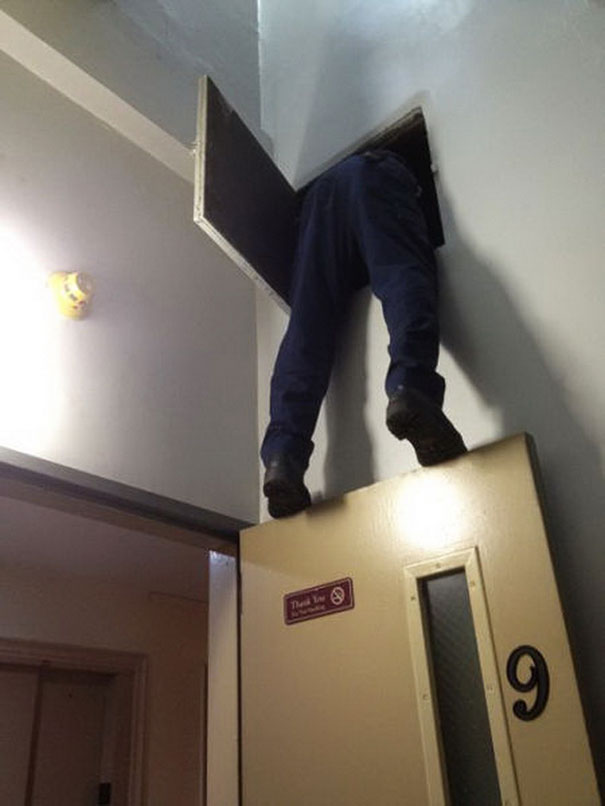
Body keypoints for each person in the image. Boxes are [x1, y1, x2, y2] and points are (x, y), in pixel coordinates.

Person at [261, 150, 466, 518]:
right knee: (400, 270)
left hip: (319, 200)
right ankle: (411, 388)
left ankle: (283, 456)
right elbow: (399, 272)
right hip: (373, 172)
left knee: (307, 325)